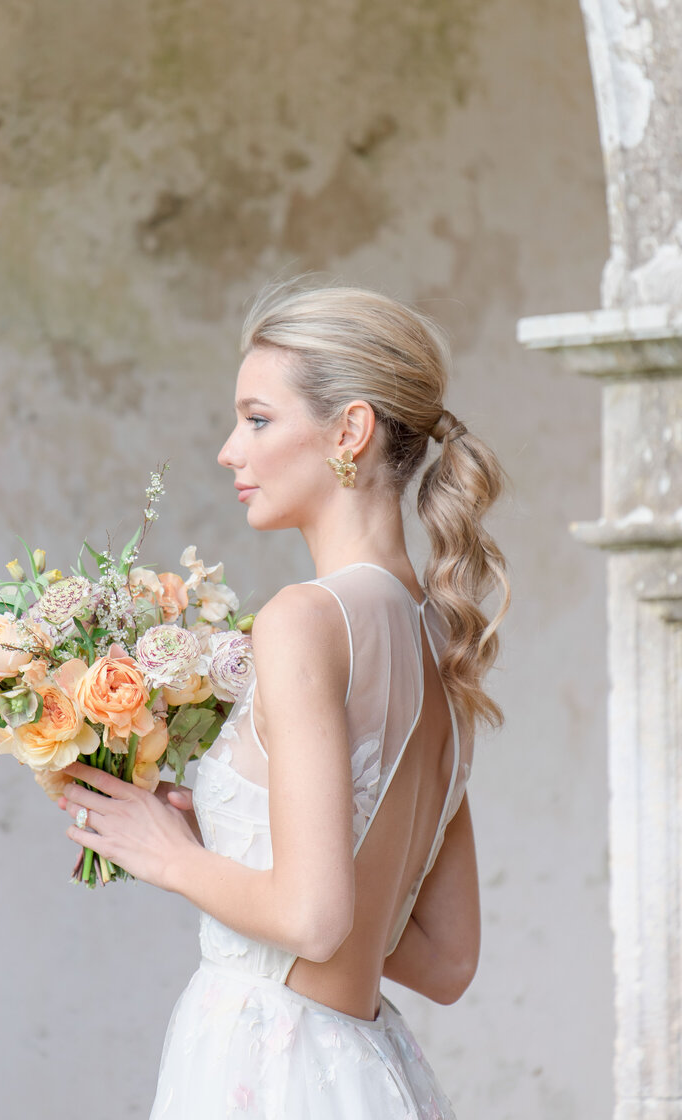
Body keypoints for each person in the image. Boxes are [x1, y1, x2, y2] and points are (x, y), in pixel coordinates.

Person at [58, 282, 510, 1118]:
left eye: (258, 419)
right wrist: (237, 862)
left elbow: (312, 920)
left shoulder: (306, 620)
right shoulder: (440, 641)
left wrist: (172, 857)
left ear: (350, 431)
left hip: (268, 1062)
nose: (231, 451)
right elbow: (447, 961)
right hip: (363, 1068)